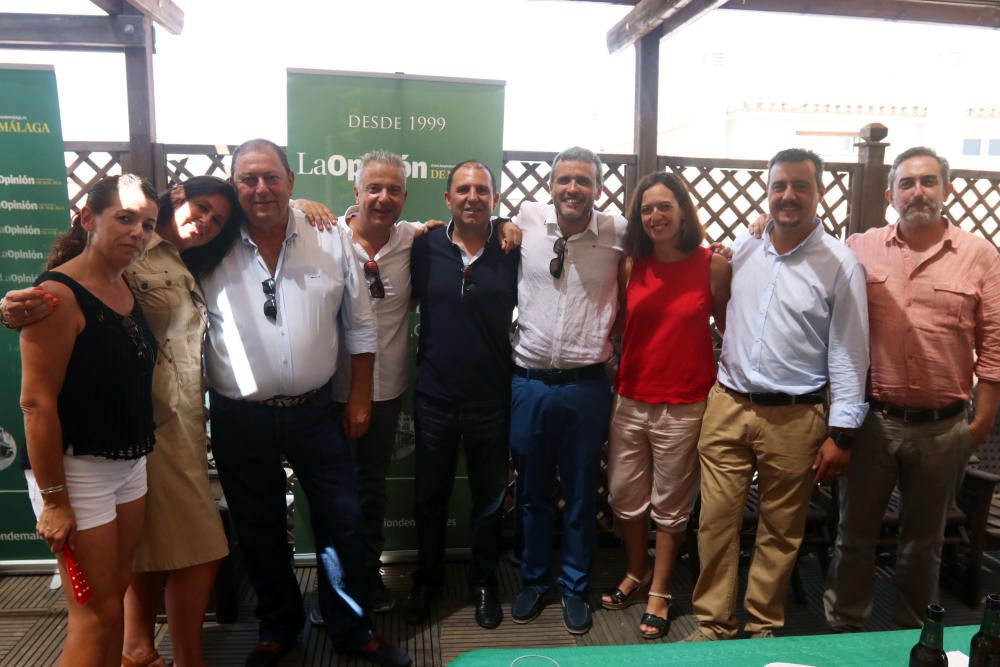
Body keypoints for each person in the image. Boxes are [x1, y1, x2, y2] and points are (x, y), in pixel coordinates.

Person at [200, 138, 409, 667]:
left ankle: (352, 628)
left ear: (292, 182)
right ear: (233, 186)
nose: (261, 188)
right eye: (247, 179)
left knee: (342, 522)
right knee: (258, 527)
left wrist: (359, 397)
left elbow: (360, 324)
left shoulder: (331, 235)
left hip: (317, 411)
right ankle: (278, 628)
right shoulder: (207, 241)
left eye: (271, 177)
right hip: (238, 416)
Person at [685, 148, 869, 642]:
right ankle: (714, 625)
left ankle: (762, 628)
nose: (788, 196)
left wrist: (843, 434)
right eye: (779, 186)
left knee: (780, 531)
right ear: (767, 193)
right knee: (715, 523)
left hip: (796, 415)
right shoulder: (744, 251)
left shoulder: (841, 265)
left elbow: (851, 354)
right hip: (728, 404)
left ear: (819, 192)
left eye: (800, 186)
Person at [824, 146, 1000, 630]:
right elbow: (809, 252)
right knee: (854, 538)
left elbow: (995, 348)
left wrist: (978, 425)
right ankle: (846, 638)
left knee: (924, 546)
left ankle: (912, 641)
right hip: (873, 423)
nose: (917, 191)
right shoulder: (860, 247)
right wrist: (759, 228)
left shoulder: (980, 256)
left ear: (948, 189)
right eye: (907, 183)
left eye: (927, 181)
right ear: (890, 194)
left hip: (944, 429)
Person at [19, 174, 159, 666]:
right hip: (77, 473)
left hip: (128, 462)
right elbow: (36, 404)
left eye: (147, 223)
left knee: (115, 592)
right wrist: (55, 502)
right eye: (124, 218)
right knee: (93, 614)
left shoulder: (122, 283)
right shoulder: (57, 296)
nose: (137, 232)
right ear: (87, 218)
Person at [600, 172, 730, 639]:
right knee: (624, 495)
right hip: (631, 397)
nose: (655, 216)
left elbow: (729, 328)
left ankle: (658, 589)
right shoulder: (631, 265)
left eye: (664, 207)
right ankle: (635, 570)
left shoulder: (711, 265)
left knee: (671, 506)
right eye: (647, 210)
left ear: (683, 212)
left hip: (686, 402)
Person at [508, 146, 626, 635]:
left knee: (581, 494)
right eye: (564, 180)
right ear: (549, 186)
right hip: (529, 382)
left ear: (597, 188)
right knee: (532, 493)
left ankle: (575, 586)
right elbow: (466, 222)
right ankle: (535, 580)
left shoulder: (618, 232)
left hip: (585, 386)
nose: (572, 188)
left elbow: (676, 240)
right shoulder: (526, 219)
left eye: (582, 180)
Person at [403, 160, 519, 629]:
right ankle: (427, 579)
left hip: (492, 396)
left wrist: (511, 226)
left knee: (490, 498)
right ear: (447, 199)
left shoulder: (513, 249)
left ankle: (485, 580)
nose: (473, 197)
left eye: (483, 190)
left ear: (494, 199)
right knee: (430, 495)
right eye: (463, 189)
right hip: (434, 394)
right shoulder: (423, 245)